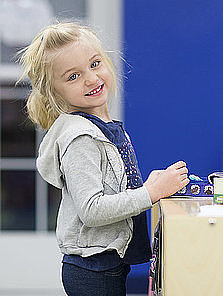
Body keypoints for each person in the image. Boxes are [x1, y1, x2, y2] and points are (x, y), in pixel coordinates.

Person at [18, 21, 189, 296]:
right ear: (54, 92)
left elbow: (112, 188)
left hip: (108, 263)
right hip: (92, 270)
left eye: (95, 64)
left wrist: (148, 185)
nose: (90, 78)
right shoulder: (81, 138)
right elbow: (92, 210)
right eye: (72, 76)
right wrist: (150, 192)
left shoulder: (104, 127)